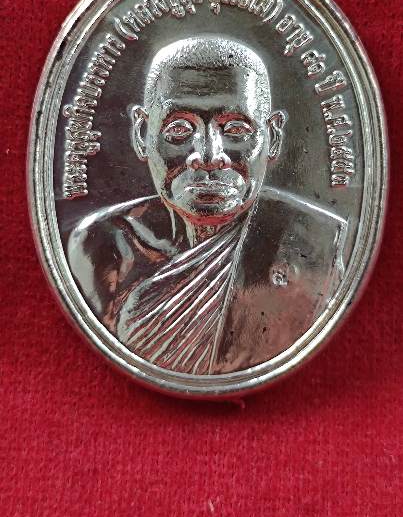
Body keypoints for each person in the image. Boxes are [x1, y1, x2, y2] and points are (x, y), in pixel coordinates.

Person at [68, 36, 347, 375]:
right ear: (142, 134)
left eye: (235, 130)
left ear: (272, 136)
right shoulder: (103, 246)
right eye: (179, 130)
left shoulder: (311, 243)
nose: (209, 156)